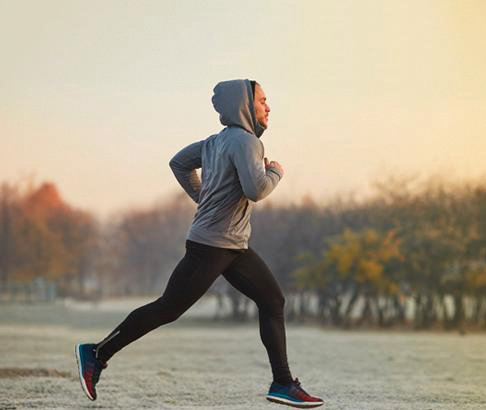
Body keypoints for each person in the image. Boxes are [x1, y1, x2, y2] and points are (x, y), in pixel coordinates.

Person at [75, 79, 324, 408]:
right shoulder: (247, 143)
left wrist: (202, 197)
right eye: (263, 100)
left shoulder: (216, 142)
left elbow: (178, 162)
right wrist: (276, 172)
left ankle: (282, 383)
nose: (268, 107)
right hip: (213, 245)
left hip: (232, 246)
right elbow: (256, 189)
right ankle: (96, 354)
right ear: (245, 105)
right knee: (168, 308)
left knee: (273, 301)